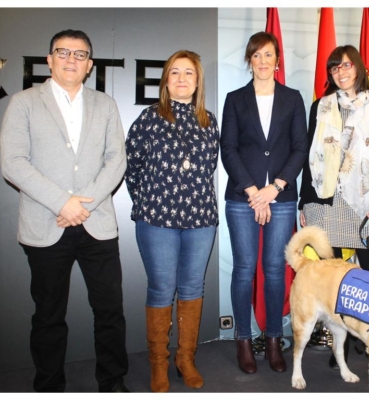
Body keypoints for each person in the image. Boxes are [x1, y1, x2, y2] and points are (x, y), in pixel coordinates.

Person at [0, 29, 129, 392]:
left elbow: (116, 160)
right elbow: (12, 162)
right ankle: (49, 385)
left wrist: (81, 203)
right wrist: (62, 202)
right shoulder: (24, 102)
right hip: (45, 224)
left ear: (89, 65)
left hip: (96, 225)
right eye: (63, 52)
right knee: (48, 316)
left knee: (109, 311)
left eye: (80, 54)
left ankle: (112, 380)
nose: (71, 59)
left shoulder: (106, 105)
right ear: (49, 59)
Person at [125, 50, 219, 392]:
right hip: (157, 220)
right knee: (162, 289)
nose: (181, 79)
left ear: (198, 81)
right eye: (175, 73)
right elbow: (131, 167)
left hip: (200, 219)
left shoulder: (210, 120)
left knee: (193, 289)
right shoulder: (149, 118)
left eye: (188, 73)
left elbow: (207, 170)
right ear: (166, 80)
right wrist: (150, 201)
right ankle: (159, 364)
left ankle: (185, 358)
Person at [298, 44, 369, 372]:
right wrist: (304, 201)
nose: (341, 71)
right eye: (334, 67)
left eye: (346, 65)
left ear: (359, 68)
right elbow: (310, 158)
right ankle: (344, 348)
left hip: (364, 203)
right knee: (334, 280)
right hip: (325, 200)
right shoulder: (319, 108)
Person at [220, 31, 308, 374]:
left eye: (268, 55)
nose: (262, 61)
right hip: (243, 197)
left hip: (282, 197)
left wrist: (276, 187)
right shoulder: (235, 99)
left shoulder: (293, 98)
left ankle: (273, 339)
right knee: (244, 269)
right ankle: (244, 339)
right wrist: (254, 190)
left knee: (274, 270)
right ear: (249, 60)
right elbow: (228, 149)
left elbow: (299, 147)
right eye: (256, 55)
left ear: (277, 60)